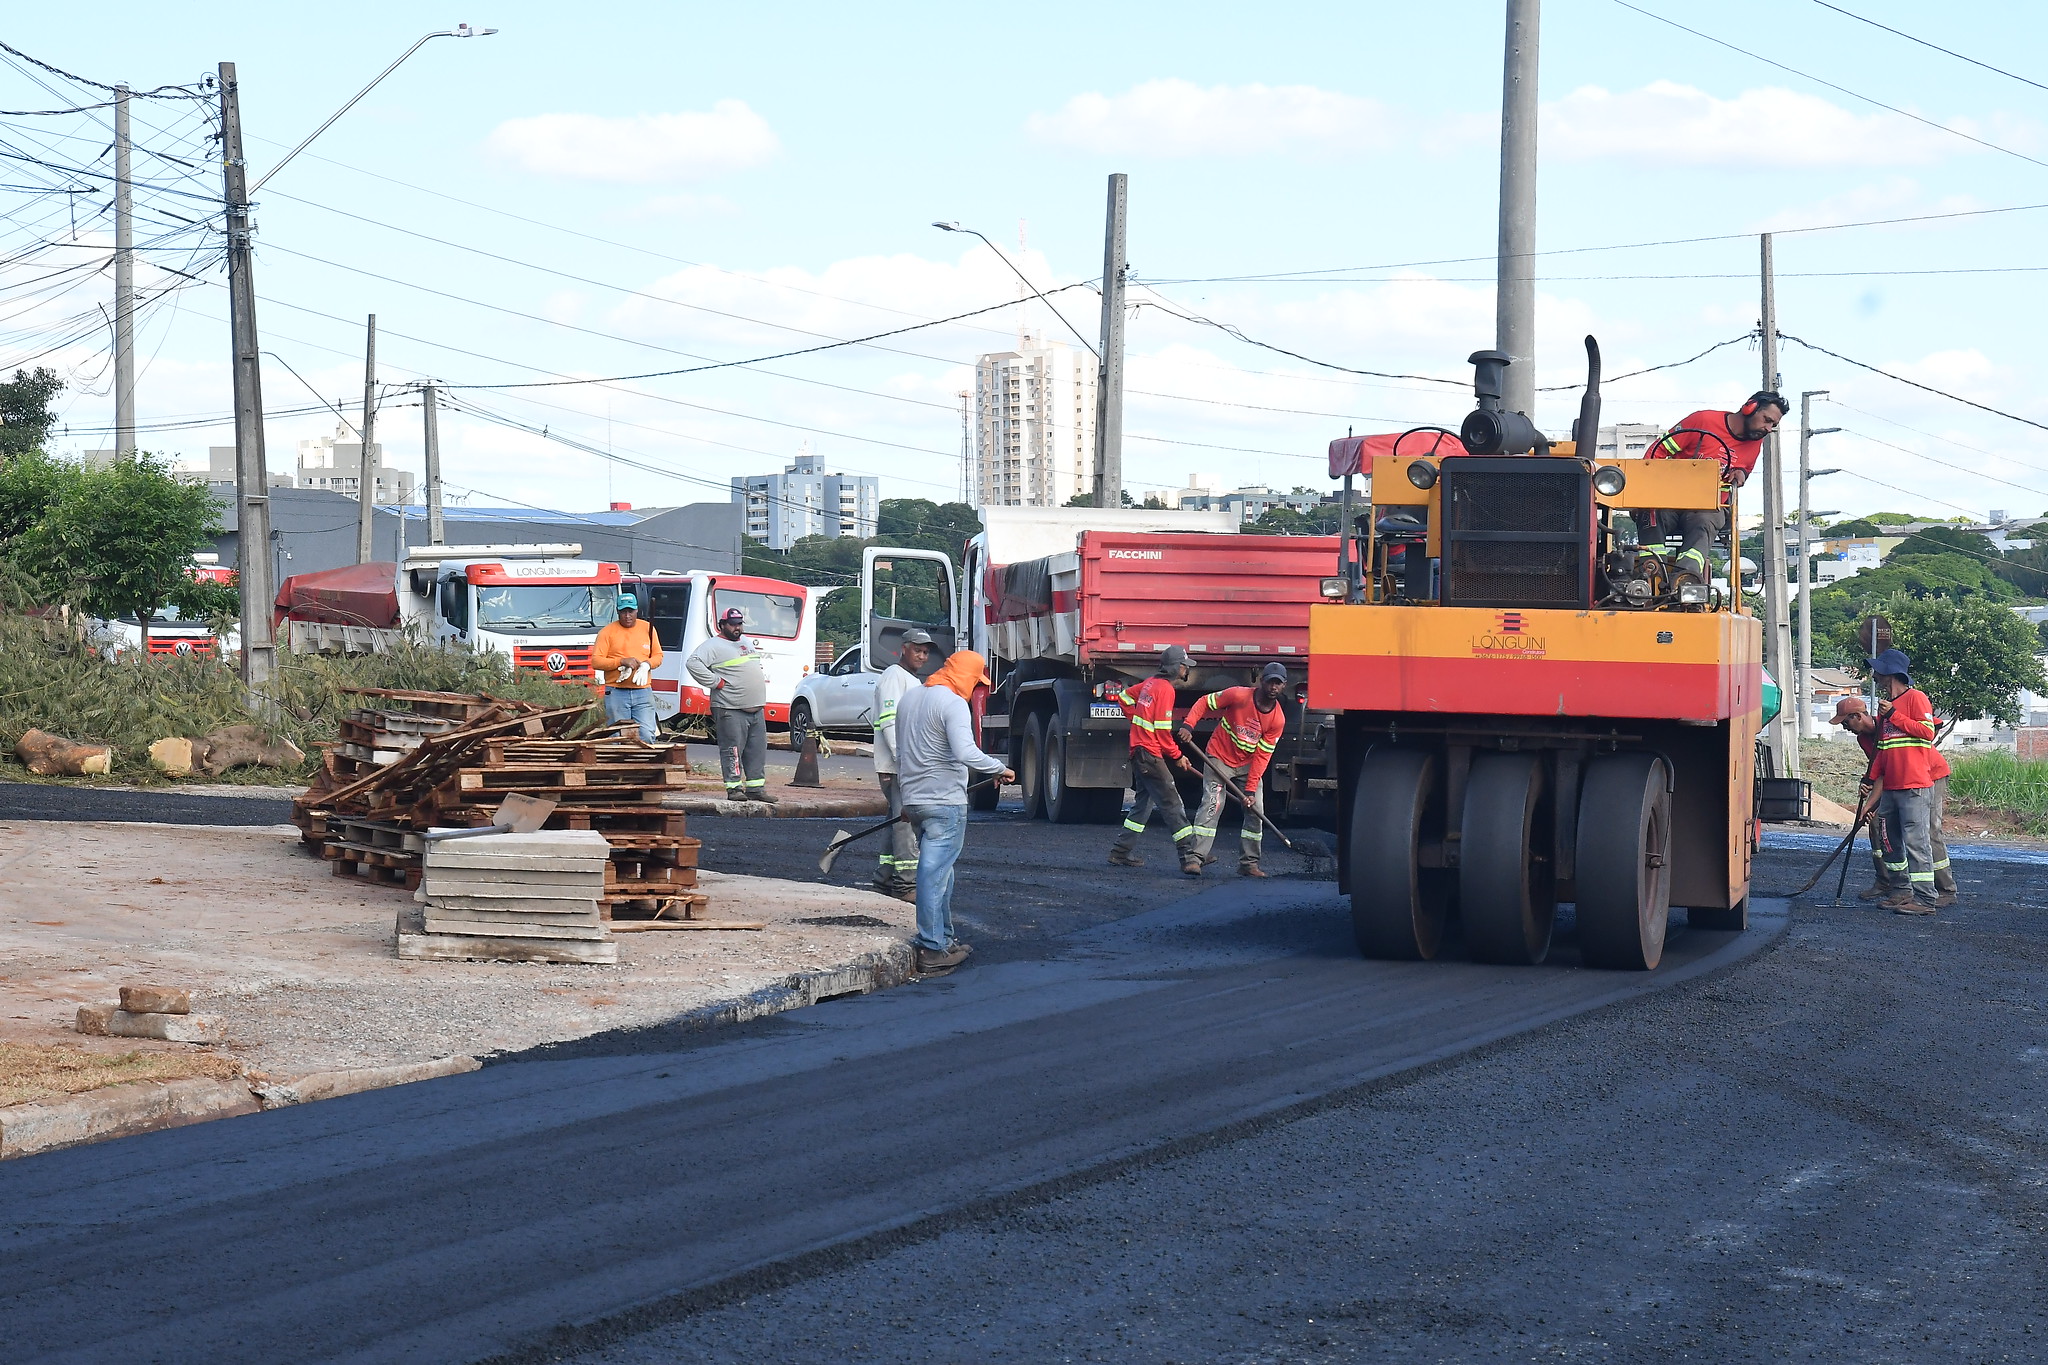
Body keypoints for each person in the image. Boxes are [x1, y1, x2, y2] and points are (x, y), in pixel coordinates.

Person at [894, 649, 1013, 977]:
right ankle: (931, 948)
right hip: (945, 802)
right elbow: (965, 752)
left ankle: (944, 939)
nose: (976, 688)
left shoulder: (910, 699)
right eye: (976, 681)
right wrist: (999, 767)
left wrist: (907, 799)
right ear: (965, 675)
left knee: (943, 872)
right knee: (933, 872)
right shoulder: (952, 703)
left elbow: (902, 752)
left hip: (916, 801)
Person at [1644, 392, 1788, 578]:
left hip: (1709, 507)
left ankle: (1685, 580)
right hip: (1669, 501)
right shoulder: (1703, 420)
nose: (1768, 429)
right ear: (1749, 407)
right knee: (1650, 512)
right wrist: (1650, 489)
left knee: (1704, 522)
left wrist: (1741, 474)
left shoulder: (1755, 442)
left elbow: (1745, 470)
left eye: (1773, 425)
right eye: (1767, 420)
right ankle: (1652, 572)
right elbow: (1657, 451)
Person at [1177, 662, 1290, 879]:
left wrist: (1249, 791)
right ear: (1261, 681)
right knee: (1212, 805)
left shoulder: (1277, 720)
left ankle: (1249, 863)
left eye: (1278, 683)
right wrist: (1188, 725)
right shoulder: (1238, 696)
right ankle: (1194, 858)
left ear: (1284, 686)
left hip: (1248, 766)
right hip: (1218, 758)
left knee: (1255, 810)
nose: (1273, 687)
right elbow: (1204, 702)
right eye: (1270, 681)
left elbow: (1262, 756)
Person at [1105, 645, 1203, 877]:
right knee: (1172, 803)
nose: (1186, 670)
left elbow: (1124, 697)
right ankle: (1189, 857)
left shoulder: (1150, 684)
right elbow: (1162, 732)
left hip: (1138, 753)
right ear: (1176, 667)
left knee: (1142, 805)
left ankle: (1119, 852)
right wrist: (1178, 756)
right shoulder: (1166, 690)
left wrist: (1136, 719)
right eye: (1184, 666)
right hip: (1149, 754)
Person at [1866, 647, 1942, 914]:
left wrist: (1893, 716)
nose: (1873, 674)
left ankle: (1925, 899)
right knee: (1889, 840)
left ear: (1890, 673)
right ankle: (1901, 891)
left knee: (1916, 842)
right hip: (1891, 788)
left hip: (1914, 786)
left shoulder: (1916, 699)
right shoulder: (1885, 708)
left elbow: (1926, 732)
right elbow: (1883, 750)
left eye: (1877, 670)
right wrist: (1870, 778)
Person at [687, 605, 777, 804]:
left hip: (755, 708)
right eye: (733, 624)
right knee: (732, 750)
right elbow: (692, 663)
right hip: (730, 708)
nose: (737, 628)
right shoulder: (712, 646)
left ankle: (756, 788)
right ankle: (734, 788)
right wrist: (715, 682)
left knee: (757, 750)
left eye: (739, 624)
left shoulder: (745, 642)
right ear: (722, 625)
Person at [870, 628, 934, 901]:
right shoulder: (894, 677)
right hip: (899, 766)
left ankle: (884, 880)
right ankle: (905, 885)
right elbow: (890, 721)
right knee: (905, 825)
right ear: (903, 649)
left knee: (896, 821)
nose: (922, 655)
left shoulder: (909, 680)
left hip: (901, 765)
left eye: (926, 652)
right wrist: (904, 760)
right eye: (917, 650)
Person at [592, 593, 663, 743]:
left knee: (646, 734)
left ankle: (643, 765)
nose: (627, 616)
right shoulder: (607, 632)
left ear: (637, 611)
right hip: (616, 692)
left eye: (631, 611)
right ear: (617, 611)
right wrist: (621, 661)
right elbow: (596, 661)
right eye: (623, 611)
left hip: (643, 691)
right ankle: (619, 766)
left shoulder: (648, 629)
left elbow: (658, 656)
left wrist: (646, 664)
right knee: (617, 737)